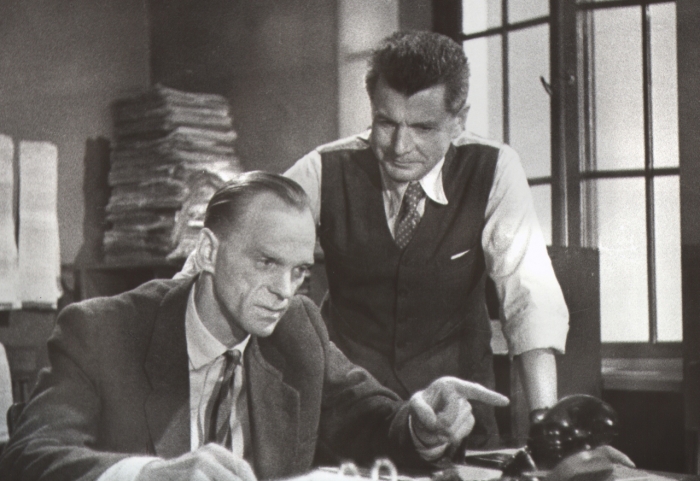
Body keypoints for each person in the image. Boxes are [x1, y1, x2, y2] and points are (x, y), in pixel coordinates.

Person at [0, 172, 510, 481]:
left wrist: (421, 425)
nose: (285, 291)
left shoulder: (297, 328)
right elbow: (27, 456)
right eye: (266, 263)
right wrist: (152, 475)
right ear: (208, 252)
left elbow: (370, 418)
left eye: (299, 271)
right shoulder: (102, 331)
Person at [284, 31, 569, 446]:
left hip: (456, 423)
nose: (401, 146)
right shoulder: (323, 169)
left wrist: (546, 423)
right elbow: (249, 235)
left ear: (459, 119)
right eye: (386, 123)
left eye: (423, 127)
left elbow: (529, 297)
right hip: (347, 424)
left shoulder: (493, 168)